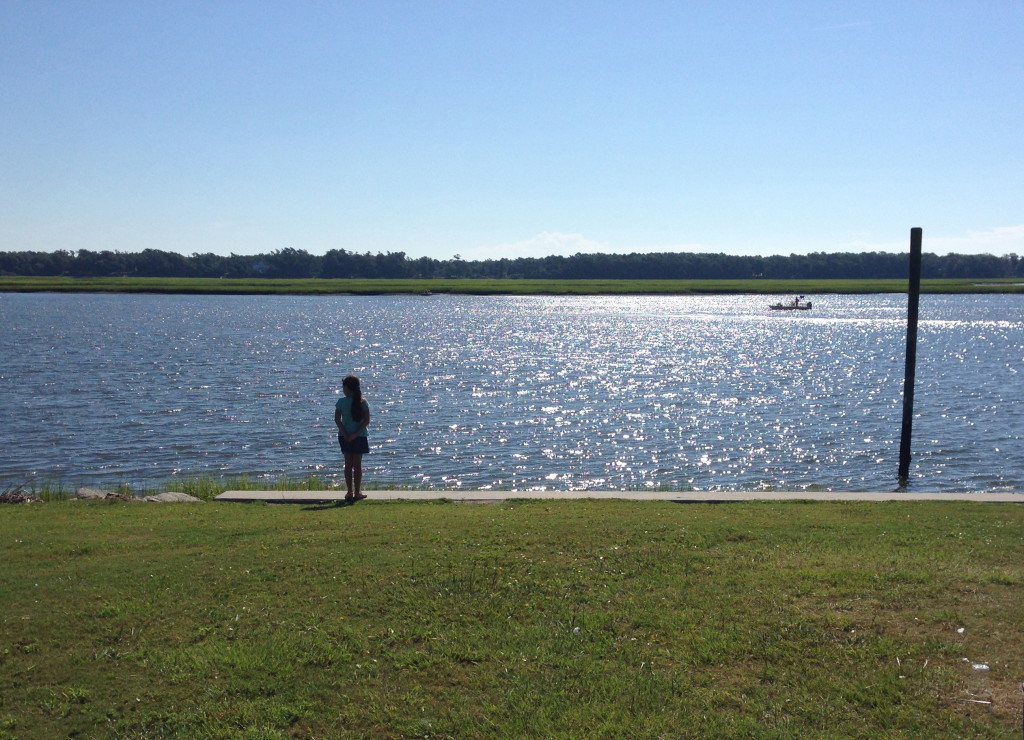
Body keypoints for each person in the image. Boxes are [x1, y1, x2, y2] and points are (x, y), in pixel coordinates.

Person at [334, 374, 370, 502]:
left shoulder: (341, 402)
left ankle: (349, 492)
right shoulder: (363, 401)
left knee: (348, 464)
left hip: (344, 437)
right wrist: (355, 434)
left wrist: (345, 434)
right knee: (357, 465)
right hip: (359, 436)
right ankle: (357, 492)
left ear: (347, 388)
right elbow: (366, 420)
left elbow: (337, 420)